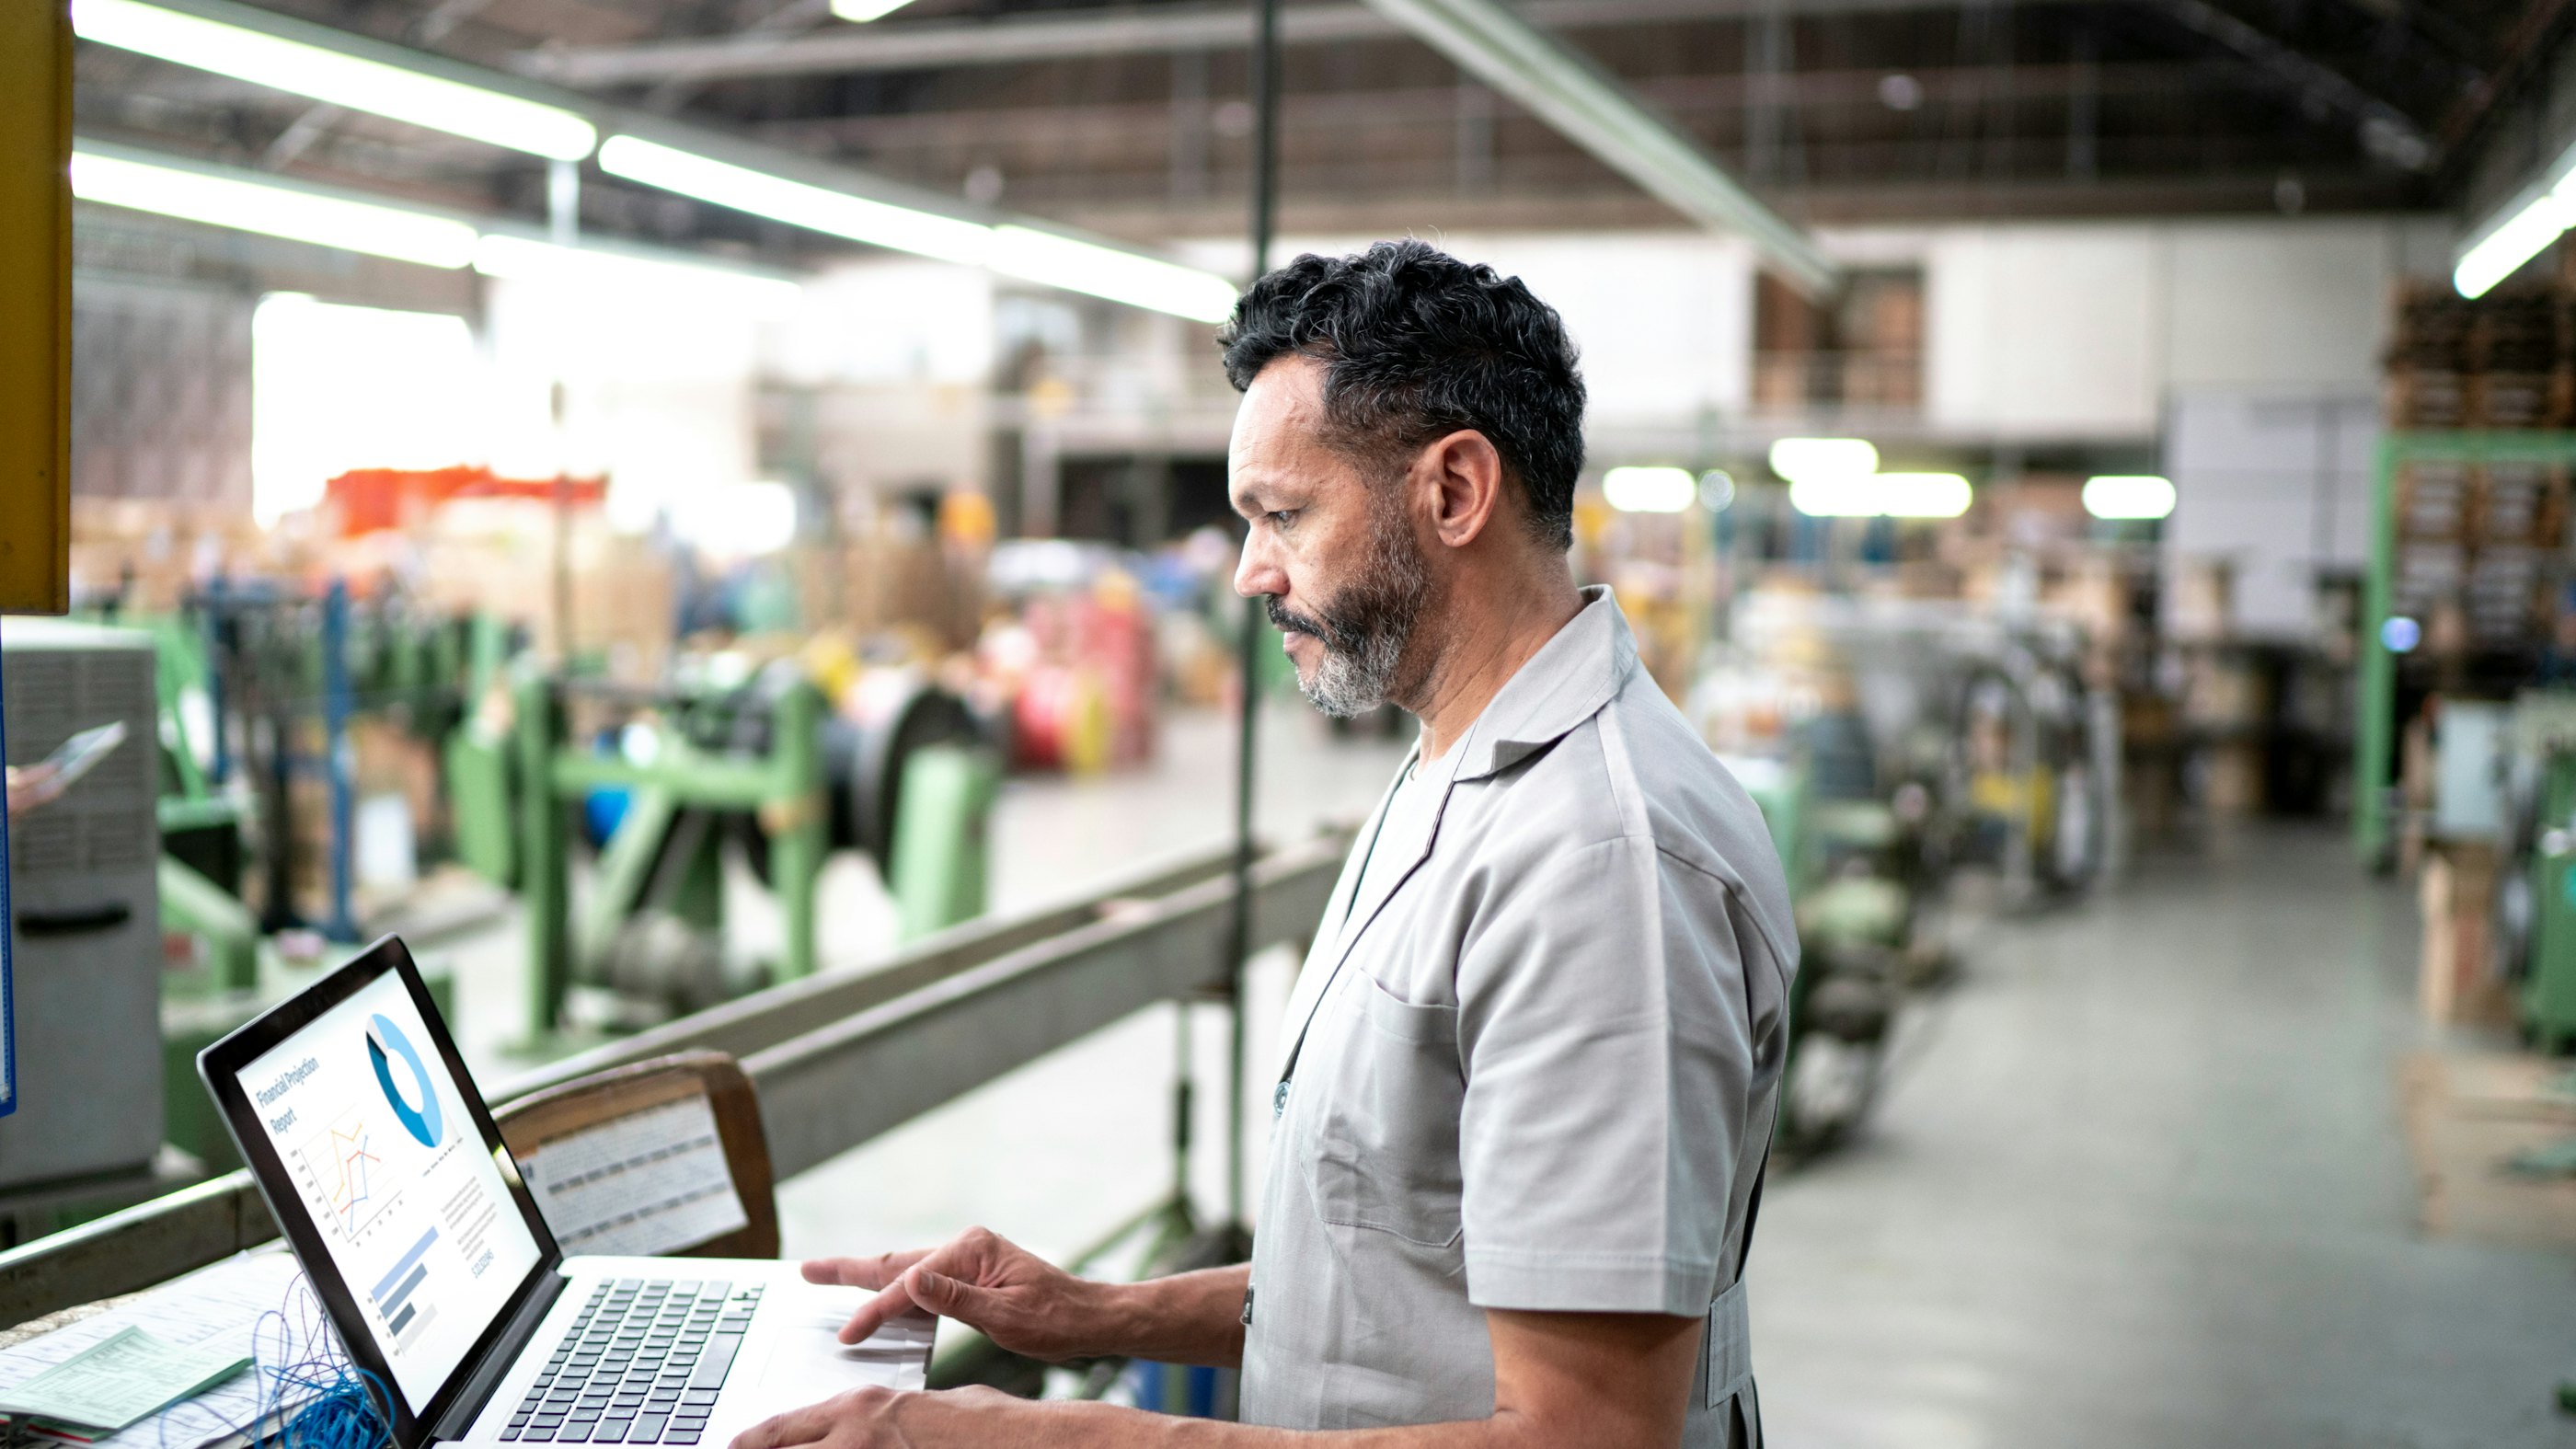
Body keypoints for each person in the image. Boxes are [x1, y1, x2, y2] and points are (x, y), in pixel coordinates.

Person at [735, 241, 1799, 1449]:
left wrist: (1043, 1439)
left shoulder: (1599, 865)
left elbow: (1586, 1436)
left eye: (1283, 515)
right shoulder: (1459, 760)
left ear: (1455, 491)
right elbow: (1402, 1272)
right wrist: (1097, 1314)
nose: (1249, 573)